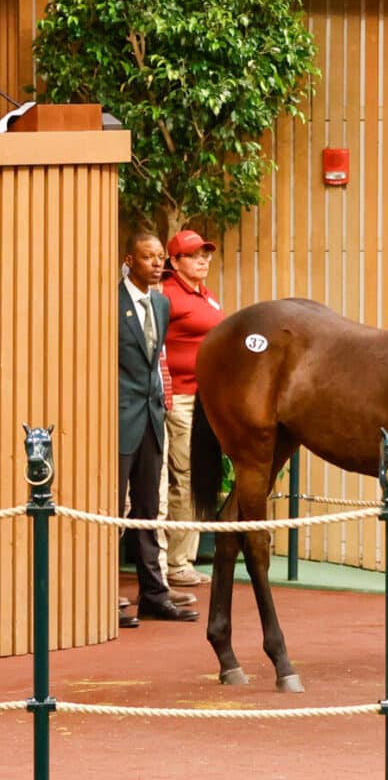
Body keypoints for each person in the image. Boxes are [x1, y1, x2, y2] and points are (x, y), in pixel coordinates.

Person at [118, 232, 198, 626]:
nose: (156, 264)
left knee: (149, 509)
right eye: (148, 257)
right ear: (129, 259)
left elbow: (155, 363)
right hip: (119, 418)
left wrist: (162, 405)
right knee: (115, 510)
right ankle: (104, 597)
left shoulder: (162, 304)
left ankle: (153, 595)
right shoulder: (110, 303)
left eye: (160, 257)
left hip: (153, 418)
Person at [160, 228, 224, 586]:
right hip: (181, 399)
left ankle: (187, 557)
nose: (203, 260)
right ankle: (175, 563)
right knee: (184, 478)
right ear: (175, 261)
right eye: (194, 255)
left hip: (207, 400)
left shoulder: (206, 295)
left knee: (200, 476)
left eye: (206, 254)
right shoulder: (167, 296)